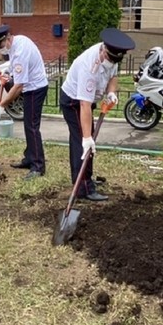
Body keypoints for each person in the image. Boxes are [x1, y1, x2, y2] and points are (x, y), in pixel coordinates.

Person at [59, 28, 135, 201]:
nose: (111, 62)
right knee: (82, 142)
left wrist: (111, 93)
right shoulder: (90, 66)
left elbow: (113, 75)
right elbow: (84, 104)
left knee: (84, 139)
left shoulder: (113, 55)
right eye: (109, 59)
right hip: (73, 102)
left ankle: (85, 179)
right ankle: (83, 188)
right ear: (103, 49)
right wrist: (87, 138)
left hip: (86, 101)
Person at [0, 25, 48, 180]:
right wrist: (8, 72)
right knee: (28, 125)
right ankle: (29, 158)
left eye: (0, 45)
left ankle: (38, 166)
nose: (0, 49)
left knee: (32, 127)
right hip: (32, 86)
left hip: (35, 89)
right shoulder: (18, 42)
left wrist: (1, 105)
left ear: (7, 38)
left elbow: (18, 86)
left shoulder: (19, 51)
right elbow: (15, 66)